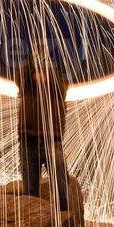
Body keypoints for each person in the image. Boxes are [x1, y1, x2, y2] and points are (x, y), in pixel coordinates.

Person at [17, 49, 70, 212]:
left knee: (61, 190)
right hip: (29, 138)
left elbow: (63, 84)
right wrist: (33, 64)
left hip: (52, 139)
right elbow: (20, 76)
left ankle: (65, 224)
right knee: (30, 192)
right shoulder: (26, 82)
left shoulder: (57, 85)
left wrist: (47, 69)